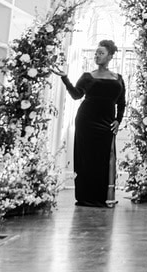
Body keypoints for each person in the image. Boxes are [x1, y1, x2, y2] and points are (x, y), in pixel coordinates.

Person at [53, 39, 126, 207]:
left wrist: (118, 120)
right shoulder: (87, 76)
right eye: (96, 53)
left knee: (103, 160)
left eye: (101, 53)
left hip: (107, 123)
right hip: (86, 121)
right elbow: (76, 95)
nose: (97, 56)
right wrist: (65, 78)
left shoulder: (119, 78)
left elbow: (122, 103)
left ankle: (102, 197)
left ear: (110, 56)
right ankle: (85, 197)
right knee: (85, 158)